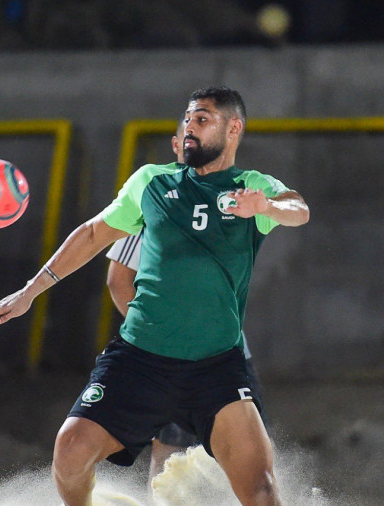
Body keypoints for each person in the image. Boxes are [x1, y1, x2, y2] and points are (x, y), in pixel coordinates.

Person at [0, 86, 309, 506]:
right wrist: (31, 291)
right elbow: (93, 235)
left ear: (233, 128)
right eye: (187, 120)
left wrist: (266, 207)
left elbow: (298, 209)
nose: (189, 128)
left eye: (202, 119)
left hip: (217, 368)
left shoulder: (251, 187)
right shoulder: (153, 183)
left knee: (261, 492)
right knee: (70, 451)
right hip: (141, 361)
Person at [105, 118, 268, 483]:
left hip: (228, 354)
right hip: (170, 355)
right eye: (188, 138)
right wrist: (162, 335)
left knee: (250, 454)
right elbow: (118, 281)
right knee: (171, 448)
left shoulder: (232, 198)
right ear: (176, 146)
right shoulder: (153, 199)